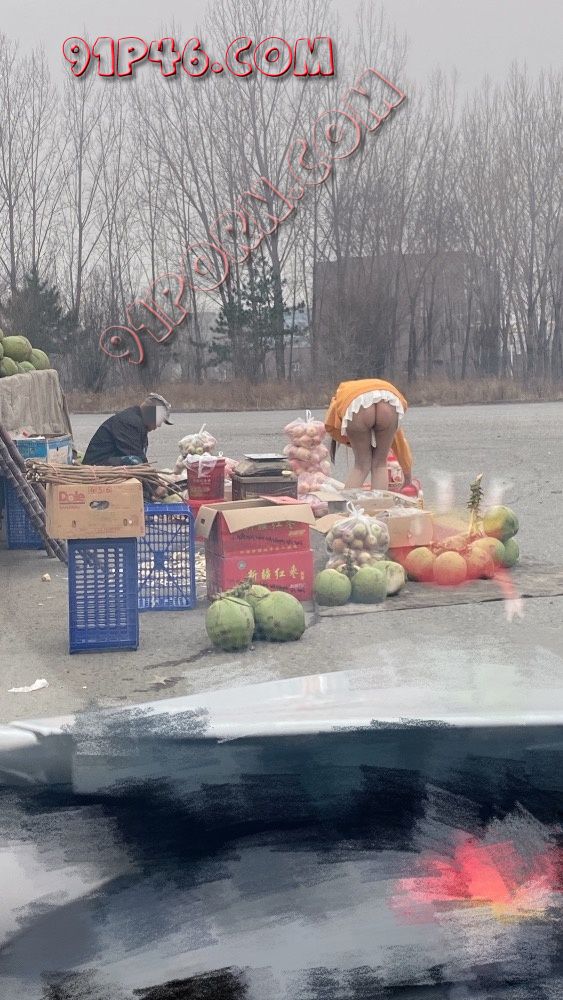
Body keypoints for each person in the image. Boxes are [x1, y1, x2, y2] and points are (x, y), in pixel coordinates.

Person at [324, 378, 413, 492]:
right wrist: (407, 474)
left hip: (356, 402)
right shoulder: (386, 391)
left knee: (361, 466)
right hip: (389, 398)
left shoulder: (341, 394)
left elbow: (331, 426)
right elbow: (399, 442)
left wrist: (352, 443)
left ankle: (348, 502)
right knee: (380, 464)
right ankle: (378, 502)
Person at [82, 393, 173, 500]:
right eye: (159, 420)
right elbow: (136, 458)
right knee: (134, 460)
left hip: (111, 463)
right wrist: (155, 486)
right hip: (97, 467)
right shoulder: (129, 422)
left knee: (136, 462)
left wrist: (155, 482)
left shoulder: (138, 423)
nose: (159, 425)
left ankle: (147, 492)